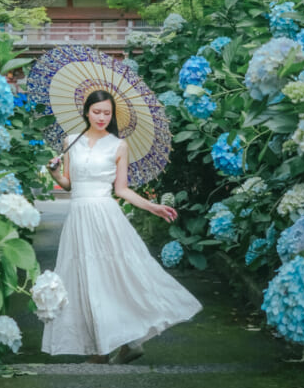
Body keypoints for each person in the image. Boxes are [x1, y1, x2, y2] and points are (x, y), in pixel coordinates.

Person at [42, 89, 202, 364]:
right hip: (78, 218)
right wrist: (55, 173)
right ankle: (123, 344)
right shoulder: (71, 141)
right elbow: (69, 184)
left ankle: (105, 351)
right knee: (84, 280)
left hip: (105, 217)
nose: (102, 117)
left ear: (112, 115)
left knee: (111, 279)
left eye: (107, 113)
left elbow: (122, 190)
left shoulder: (118, 145)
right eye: (96, 112)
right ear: (86, 112)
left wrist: (152, 207)